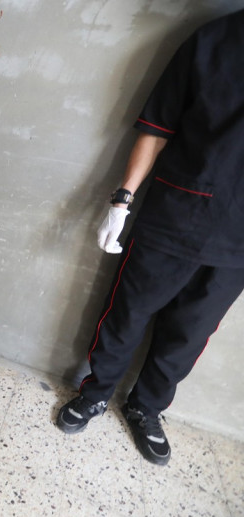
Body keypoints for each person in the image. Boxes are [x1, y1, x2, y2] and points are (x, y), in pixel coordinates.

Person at [56, 9, 244, 466]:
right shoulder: (212, 41)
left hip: (237, 245)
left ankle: (146, 407)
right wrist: (121, 201)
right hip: (176, 216)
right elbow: (156, 127)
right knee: (126, 315)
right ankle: (96, 393)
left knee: (189, 335)